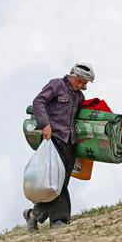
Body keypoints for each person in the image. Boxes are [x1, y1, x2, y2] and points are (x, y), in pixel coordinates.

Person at [23, 63, 95, 232]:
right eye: (82, 82)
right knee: (56, 182)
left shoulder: (79, 97)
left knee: (58, 184)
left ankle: (33, 215)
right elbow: (38, 101)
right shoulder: (56, 85)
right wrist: (45, 124)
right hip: (53, 139)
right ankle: (59, 221)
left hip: (70, 143)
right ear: (74, 77)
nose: (83, 86)